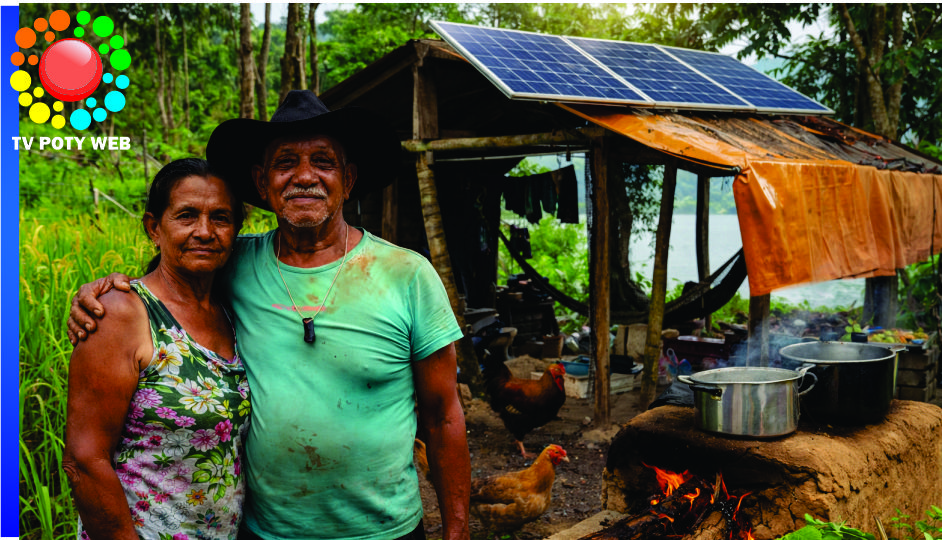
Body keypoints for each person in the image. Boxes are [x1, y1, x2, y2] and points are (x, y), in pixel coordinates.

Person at [68, 91, 471, 540]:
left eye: (323, 161)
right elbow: (170, 278)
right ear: (262, 182)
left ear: (349, 179)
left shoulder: (407, 274)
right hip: (266, 532)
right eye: (285, 163)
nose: (305, 177)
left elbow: (444, 415)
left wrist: (457, 530)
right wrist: (106, 291)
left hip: (387, 530)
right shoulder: (233, 262)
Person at [63, 158, 249, 540]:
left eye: (220, 218)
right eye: (186, 216)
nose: (204, 231)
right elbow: (84, 461)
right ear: (154, 228)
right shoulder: (121, 313)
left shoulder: (232, 309)